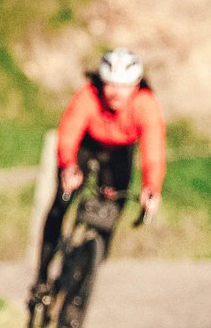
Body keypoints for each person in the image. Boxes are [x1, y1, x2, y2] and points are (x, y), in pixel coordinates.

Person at [29, 47, 166, 306]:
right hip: (86, 145)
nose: (116, 93)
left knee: (112, 211)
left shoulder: (146, 103)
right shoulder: (88, 96)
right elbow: (68, 133)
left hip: (119, 153)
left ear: (136, 85)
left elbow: (153, 151)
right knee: (61, 203)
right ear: (101, 82)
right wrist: (69, 166)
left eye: (124, 87)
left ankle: (84, 275)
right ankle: (42, 278)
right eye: (110, 85)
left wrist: (151, 187)